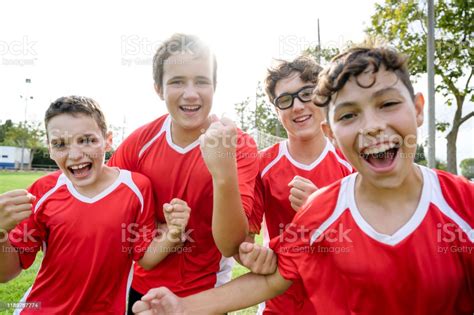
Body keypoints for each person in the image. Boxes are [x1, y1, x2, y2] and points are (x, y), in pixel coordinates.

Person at [132, 46, 474, 314]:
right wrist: (184, 305)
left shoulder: (464, 206)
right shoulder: (323, 209)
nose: (371, 126)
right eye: (350, 114)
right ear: (334, 128)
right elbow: (268, 276)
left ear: (417, 108)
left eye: (387, 103)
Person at [107, 33, 258, 313]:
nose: (191, 93)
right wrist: (155, 231)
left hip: (204, 297)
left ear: (215, 86)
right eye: (177, 82)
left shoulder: (239, 145)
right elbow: (107, 210)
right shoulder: (139, 144)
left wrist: (223, 173)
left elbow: (232, 245)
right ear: (159, 89)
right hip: (141, 290)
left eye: (201, 81)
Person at [0, 96, 190, 314]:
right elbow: (6, 274)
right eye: (60, 144)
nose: (75, 154)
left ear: (107, 140)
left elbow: (145, 259)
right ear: (50, 150)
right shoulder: (42, 192)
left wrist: (174, 232)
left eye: (87, 140)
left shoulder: (137, 188)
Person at [245, 55, 352, 314]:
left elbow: (368, 243)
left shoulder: (351, 160)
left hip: (338, 302)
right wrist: (253, 255)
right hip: (279, 304)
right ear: (276, 110)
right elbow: (246, 241)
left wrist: (320, 210)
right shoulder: (263, 164)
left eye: (307, 94)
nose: (297, 107)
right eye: (285, 100)